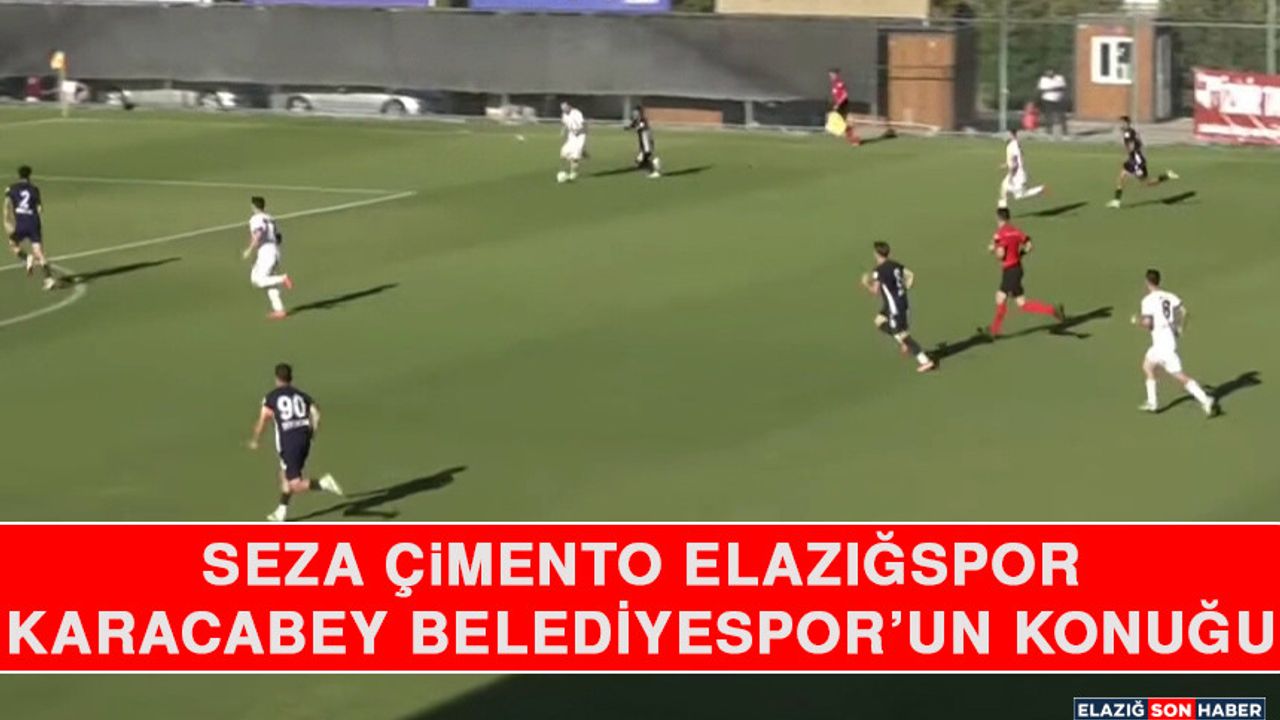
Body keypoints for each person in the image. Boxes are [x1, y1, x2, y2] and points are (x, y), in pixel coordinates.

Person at [248, 363, 344, 522]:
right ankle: (281, 511)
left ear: (276, 378)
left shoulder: (271, 397)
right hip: (303, 438)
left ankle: (323, 483)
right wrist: (312, 432)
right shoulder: (301, 395)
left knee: (294, 483)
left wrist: (255, 440)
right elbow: (316, 413)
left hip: (289, 443)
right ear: (290, 378)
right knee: (284, 475)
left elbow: (262, 421)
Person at [1130, 270, 1216, 416]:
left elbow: (1149, 324)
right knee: (1147, 365)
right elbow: (1184, 311)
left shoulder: (1147, 301)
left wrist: (1137, 321)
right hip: (1167, 338)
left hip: (1161, 343)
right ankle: (1152, 402)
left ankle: (1205, 399)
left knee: (1178, 375)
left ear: (1147, 282)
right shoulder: (1169, 296)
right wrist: (1180, 328)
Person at [986, 207, 1064, 337]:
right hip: (1017, 269)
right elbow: (1029, 246)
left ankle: (994, 330)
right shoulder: (1016, 231)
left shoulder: (1000, 234)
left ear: (998, 218)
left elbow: (1001, 254)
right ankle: (1052, 310)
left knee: (1000, 297)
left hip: (1010, 271)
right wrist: (1020, 254)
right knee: (1022, 303)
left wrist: (993, 249)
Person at [860, 241, 935, 373]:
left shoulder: (878, 271)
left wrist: (866, 283)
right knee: (879, 321)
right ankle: (903, 340)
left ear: (877, 254)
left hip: (894, 307)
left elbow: (875, 291)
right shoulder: (895, 265)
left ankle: (925, 361)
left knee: (902, 335)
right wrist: (906, 287)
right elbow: (910, 275)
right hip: (899, 302)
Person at [3, 165, 58, 290]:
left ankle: (26, 257)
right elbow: (39, 209)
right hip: (33, 223)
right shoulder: (34, 189)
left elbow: (6, 205)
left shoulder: (11, 189)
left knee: (13, 244)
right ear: (29, 175)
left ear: (19, 175)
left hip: (21, 223)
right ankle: (49, 279)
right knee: (39, 252)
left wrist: (6, 220)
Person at [1108, 116, 1178, 208]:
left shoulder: (1128, 133)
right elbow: (1139, 143)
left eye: (1121, 123)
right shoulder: (1130, 132)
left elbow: (1132, 146)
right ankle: (1116, 201)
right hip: (1135, 160)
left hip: (1136, 161)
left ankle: (1167, 176)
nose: (1120, 125)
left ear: (1126, 123)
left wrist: (1129, 155)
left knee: (1145, 182)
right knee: (1122, 177)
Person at [241, 196, 292, 319]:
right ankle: (279, 310)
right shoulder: (270, 218)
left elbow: (258, 233)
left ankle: (283, 278)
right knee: (267, 281)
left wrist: (249, 249)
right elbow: (278, 237)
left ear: (253, 206)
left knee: (258, 280)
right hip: (274, 251)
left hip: (266, 252)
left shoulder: (256, 219)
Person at [998, 128, 1045, 208]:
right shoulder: (1015, 144)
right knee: (1004, 188)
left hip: (1018, 174)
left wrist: (1011, 176)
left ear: (1011, 135)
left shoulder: (1012, 146)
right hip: (1018, 172)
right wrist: (1006, 164)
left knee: (1018, 195)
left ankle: (1040, 189)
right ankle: (1002, 210)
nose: (1004, 136)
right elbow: (1017, 159)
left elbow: (1015, 163)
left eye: (1006, 134)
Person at [828, 68, 861, 147]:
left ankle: (855, 140)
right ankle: (851, 139)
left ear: (836, 75)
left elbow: (845, 95)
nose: (831, 77)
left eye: (832, 75)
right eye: (830, 75)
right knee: (838, 122)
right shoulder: (834, 84)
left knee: (844, 123)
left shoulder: (839, 83)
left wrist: (838, 104)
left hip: (843, 105)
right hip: (839, 106)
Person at [626, 106, 661, 178]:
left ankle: (655, 171)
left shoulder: (642, 120)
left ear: (639, 113)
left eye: (636, 113)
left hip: (646, 138)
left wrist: (635, 128)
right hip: (643, 140)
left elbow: (640, 127)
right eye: (633, 113)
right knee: (640, 159)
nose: (634, 114)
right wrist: (628, 128)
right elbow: (632, 125)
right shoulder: (636, 120)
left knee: (648, 154)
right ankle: (645, 166)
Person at [559, 101, 587, 182]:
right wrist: (563, 130)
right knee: (563, 153)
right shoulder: (564, 115)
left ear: (569, 106)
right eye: (562, 108)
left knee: (574, 157)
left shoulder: (577, 113)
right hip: (571, 136)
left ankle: (573, 173)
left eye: (565, 107)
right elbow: (564, 123)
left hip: (580, 136)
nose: (564, 109)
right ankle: (582, 152)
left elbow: (584, 125)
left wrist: (579, 132)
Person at [1037, 68, 1068, 137]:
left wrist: (1050, 89)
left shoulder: (1059, 78)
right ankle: (1048, 131)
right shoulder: (1043, 79)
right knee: (1048, 116)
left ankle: (1064, 132)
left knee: (1062, 116)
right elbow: (1042, 90)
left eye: (1051, 71)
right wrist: (1054, 88)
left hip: (1059, 99)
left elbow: (1062, 88)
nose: (1050, 73)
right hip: (1047, 99)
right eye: (1048, 71)